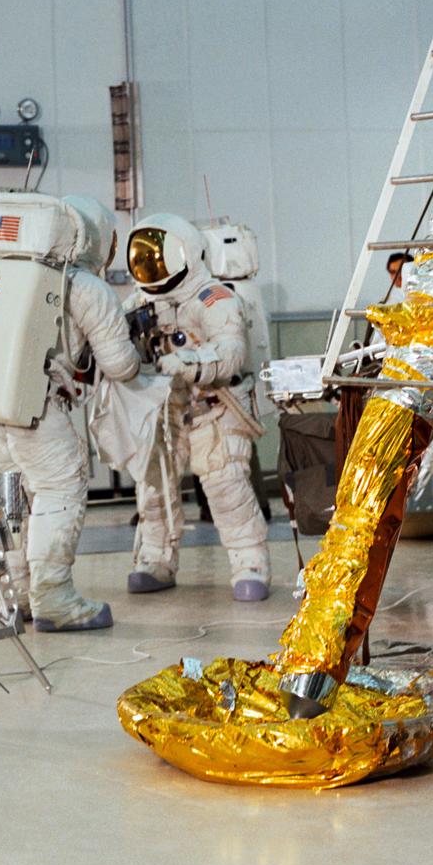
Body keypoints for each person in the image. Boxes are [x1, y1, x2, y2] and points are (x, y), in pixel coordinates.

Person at [0, 196, 139, 632]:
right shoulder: (82, 285)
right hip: (34, 406)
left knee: (4, 497)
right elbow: (120, 365)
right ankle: (53, 598)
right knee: (59, 488)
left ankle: (12, 598)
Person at [126, 213, 272, 602]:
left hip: (216, 405)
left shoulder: (214, 297)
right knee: (153, 489)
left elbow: (231, 352)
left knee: (226, 487)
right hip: (167, 410)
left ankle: (250, 562)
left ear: (184, 253)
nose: (150, 266)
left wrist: (188, 362)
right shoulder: (143, 300)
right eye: (143, 258)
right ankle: (156, 559)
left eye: (157, 257)